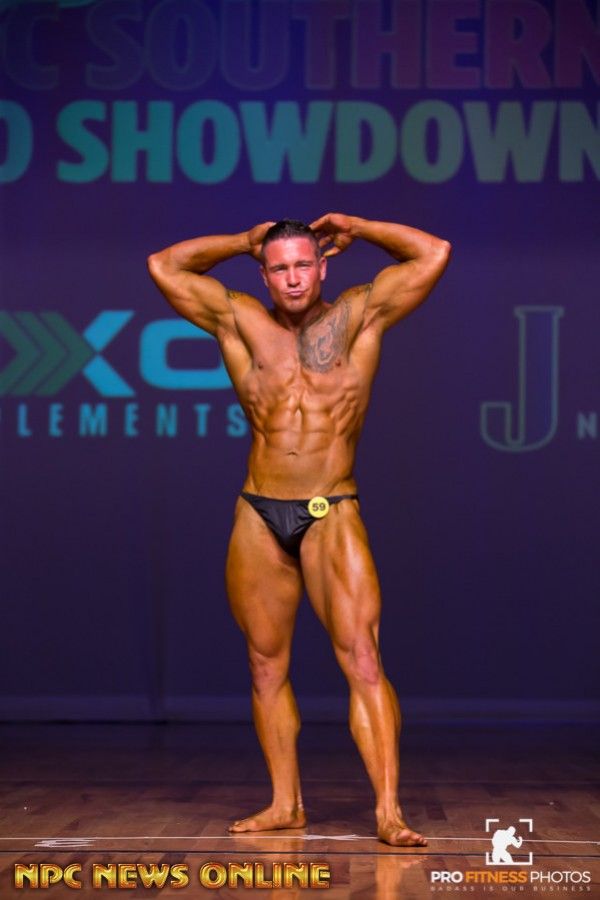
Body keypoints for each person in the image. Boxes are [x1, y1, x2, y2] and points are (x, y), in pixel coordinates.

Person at [147, 213, 451, 846]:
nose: (292, 278)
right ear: (264, 273)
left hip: (330, 507)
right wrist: (240, 241)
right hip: (259, 510)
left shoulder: (359, 315)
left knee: (362, 658)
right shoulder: (239, 320)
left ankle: (389, 812)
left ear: (322, 267)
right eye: (279, 267)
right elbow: (163, 266)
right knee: (265, 666)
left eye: (303, 265)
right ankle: (286, 803)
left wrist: (361, 226)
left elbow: (433, 253)